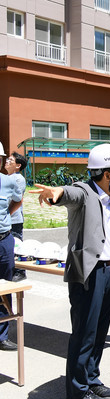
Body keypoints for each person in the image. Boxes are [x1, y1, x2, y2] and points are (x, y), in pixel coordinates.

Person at [31, 144, 110, 399]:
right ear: (107, 173)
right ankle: (75, 394)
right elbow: (69, 194)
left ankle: (91, 379)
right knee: (84, 334)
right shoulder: (86, 192)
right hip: (88, 273)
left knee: (99, 332)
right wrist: (56, 193)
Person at [0, 143, 22, 352]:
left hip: (4, 239)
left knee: (5, 288)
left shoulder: (8, 181)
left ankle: (3, 335)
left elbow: (18, 201)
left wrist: (6, 216)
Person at [5, 152, 28, 282]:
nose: (7, 161)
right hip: (7, 218)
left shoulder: (18, 179)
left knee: (17, 245)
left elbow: (16, 200)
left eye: (10, 160)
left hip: (14, 219)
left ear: (18, 165)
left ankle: (20, 271)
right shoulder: (8, 177)